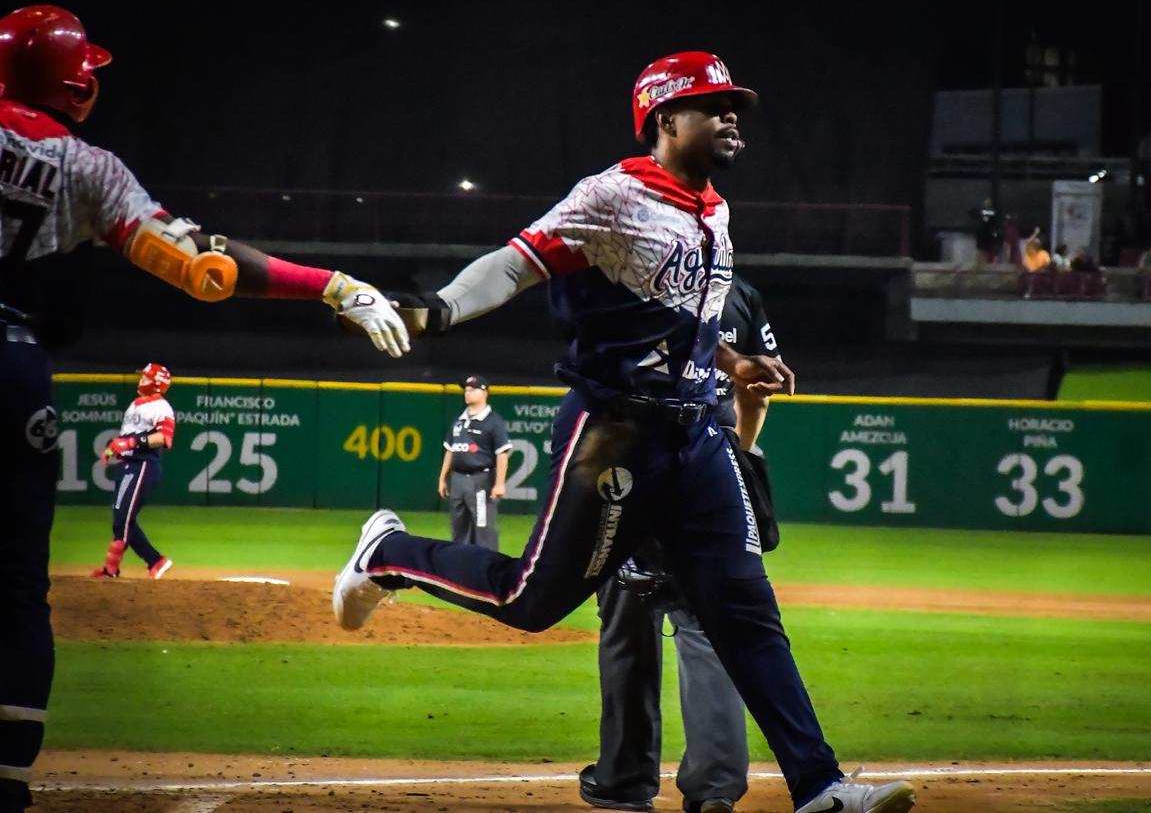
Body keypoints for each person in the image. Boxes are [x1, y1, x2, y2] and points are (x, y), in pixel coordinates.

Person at [332, 51, 916, 813]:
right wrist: (439, 308)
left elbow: (694, 317)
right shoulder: (612, 195)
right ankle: (388, 556)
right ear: (666, 119)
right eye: (713, 105)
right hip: (616, 436)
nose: (731, 116)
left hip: (698, 439)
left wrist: (735, 362)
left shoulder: (715, 209)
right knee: (530, 601)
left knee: (747, 611)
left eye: (734, 104)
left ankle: (821, 786)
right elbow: (514, 264)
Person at [0, 5, 408, 812]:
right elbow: (204, 270)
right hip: (9, 367)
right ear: (75, 83)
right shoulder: (87, 168)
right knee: (13, 594)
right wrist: (332, 284)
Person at [579, 275, 781, 813]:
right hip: (711, 470)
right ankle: (714, 787)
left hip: (633, 469)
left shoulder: (627, 289)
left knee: (627, 627)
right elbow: (756, 392)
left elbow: (594, 391)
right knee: (711, 629)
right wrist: (736, 457)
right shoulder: (740, 294)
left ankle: (624, 781)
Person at [92, 363, 177, 579]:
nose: (141, 381)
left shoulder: (161, 407)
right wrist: (113, 447)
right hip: (127, 465)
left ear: (157, 383)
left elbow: (163, 438)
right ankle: (155, 561)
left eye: (146, 378)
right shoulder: (135, 404)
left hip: (143, 465)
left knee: (123, 518)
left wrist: (130, 443)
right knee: (122, 518)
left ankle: (113, 569)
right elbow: (126, 434)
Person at [439, 374, 512, 551]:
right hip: (458, 480)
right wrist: (442, 478)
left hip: (481, 480)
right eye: (466, 389)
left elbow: (502, 453)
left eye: (472, 389)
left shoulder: (493, 421)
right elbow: (451, 450)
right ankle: (459, 569)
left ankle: (489, 569)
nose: (467, 392)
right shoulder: (459, 420)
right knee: (458, 529)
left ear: (484, 393)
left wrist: (500, 484)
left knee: (484, 528)